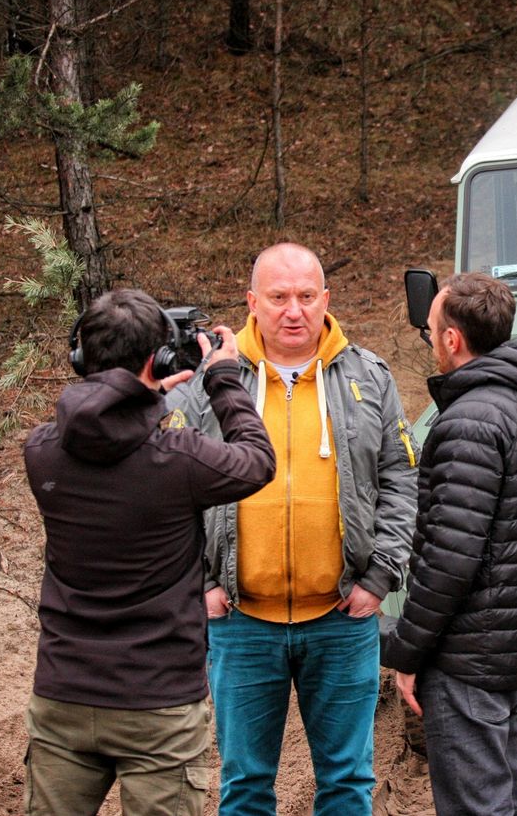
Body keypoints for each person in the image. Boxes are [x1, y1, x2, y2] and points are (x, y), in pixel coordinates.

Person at [166, 242, 418, 815]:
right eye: (278, 298)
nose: (294, 311)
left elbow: (402, 479)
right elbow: (172, 484)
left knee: (348, 782)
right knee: (246, 786)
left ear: (325, 299)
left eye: (306, 296)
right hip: (239, 621)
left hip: (341, 617)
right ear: (252, 303)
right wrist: (198, 583)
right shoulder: (210, 382)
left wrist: (380, 577)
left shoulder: (368, 377)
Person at [22, 288, 276, 815]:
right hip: (158, 701)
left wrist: (144, 396)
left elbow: (104, 437)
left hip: (63, 694)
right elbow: (256, 459)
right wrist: (222, 377)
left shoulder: (42, 453)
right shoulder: (179, 460)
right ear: (158, 361)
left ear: (79, 356)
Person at [384, 271, 517, 816]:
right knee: (509, 799)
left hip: (467, 654)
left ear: (451, 339)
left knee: (478, 808)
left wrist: (407, 651)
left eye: (431, 331)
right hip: (509, 647)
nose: (431, 341)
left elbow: (449, 559)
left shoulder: (468, 421)